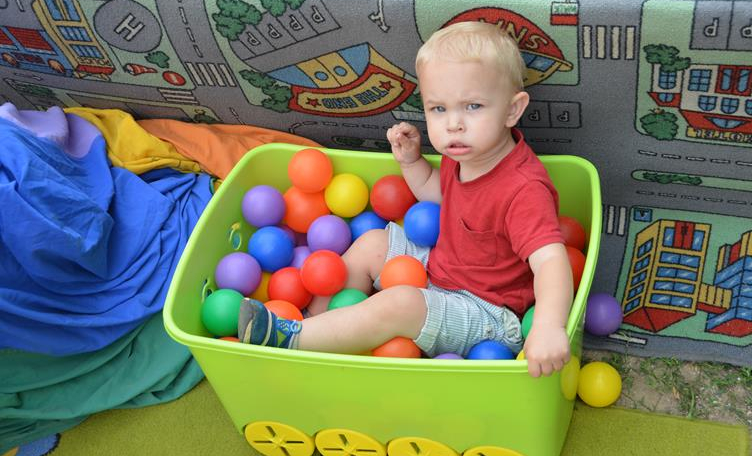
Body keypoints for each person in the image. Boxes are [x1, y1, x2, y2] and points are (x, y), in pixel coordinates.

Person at [238, 21, 574, 378]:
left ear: (512, 110)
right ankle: (314, 326)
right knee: (372, 243)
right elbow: (442, 196)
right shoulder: (465, 151)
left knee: (401, 304)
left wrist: (548, 327)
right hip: (440, 269)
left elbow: (551, 260)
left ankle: (290, 340)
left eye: (473, 106)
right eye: (438, 109)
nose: (453, 124)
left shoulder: (523, 188)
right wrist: (412, 163)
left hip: (488, 312)